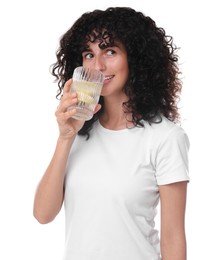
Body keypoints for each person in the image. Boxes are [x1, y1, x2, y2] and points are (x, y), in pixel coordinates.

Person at [33, 7, 190, 260]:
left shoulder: (165, 138)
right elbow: (43, 214)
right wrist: (66, 137)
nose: (98, 66)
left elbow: (173, 238)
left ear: (136, 58)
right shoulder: (78, 131)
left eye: (110, 51)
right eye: (89, 54)